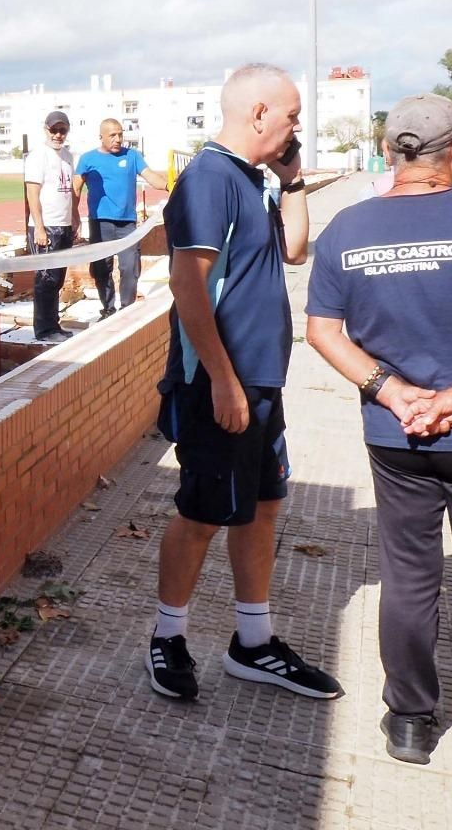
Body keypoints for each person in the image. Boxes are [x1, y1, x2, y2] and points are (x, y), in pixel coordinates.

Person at [305, 94, 452, 796]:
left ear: (391, 152)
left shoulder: (347, 229)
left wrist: (393, 393)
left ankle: (408, 722)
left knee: (409, 574)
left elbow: (323, 331)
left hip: (397, 438)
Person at [145, 64, 342, 704]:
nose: (296, 126)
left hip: (260, 380)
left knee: (261, 506)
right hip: (217, 384)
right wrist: (224, 380)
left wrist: (293, 183)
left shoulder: (250, 179)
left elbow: (294, 251)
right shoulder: (207, 179)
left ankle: (252, 644)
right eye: (290, 115)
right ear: (258, 112)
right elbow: (187, 285)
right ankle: (168, 637)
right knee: (203, 512)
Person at [73, 119, 168, 318]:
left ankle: (127, 309)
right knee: (101, 268)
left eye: (120, 134)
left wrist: (172, 184)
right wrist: (73, 216)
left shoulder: (132, 156)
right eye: (112, 135)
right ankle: (108, 309)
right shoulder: (88, 159)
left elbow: (152, 177)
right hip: (100, 223)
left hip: (127, 224)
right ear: (101, 137)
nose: (117, 139)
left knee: (130, 267)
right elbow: (76, 188)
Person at [24, 110, 77, 342]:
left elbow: (70, 192)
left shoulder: (67, 156)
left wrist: (74, 217)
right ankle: (44, 329)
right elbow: (32, 193)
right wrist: (39, 227)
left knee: (58, 279)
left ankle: (53, 325)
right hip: (46, 226)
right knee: (45, 279)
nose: (57, 134)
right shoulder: (38, 156)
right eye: (53, 130)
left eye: (62, 130)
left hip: (63, 225)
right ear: (45, 129)